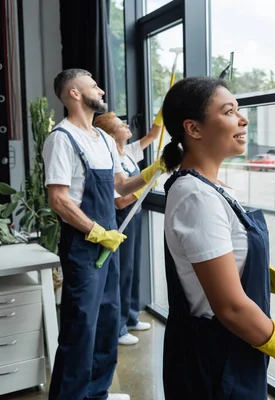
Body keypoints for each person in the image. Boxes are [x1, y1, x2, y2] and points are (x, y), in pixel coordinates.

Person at [160, 76, 275, 399]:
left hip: (236, 354)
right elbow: (232, 307)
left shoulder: (214, 188)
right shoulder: (196, 197)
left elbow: (224, 266)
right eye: (228, 111)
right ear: (193, 129)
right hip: (215, 362)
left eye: (238, 109)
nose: (243, 118)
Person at [43, 68, 166, 400]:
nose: (100, 89)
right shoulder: (62, 138)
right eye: (93, 85)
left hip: (107, 246)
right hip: (83, 248)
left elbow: (122, 185)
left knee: (108, 322)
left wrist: (155, 168)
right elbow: (58, 199)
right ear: (73, 93)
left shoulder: (103, 141)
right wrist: (96, 230)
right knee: (81, 327)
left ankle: (96, 393)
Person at [93, 111, 162, 345]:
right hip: (122, 217)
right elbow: (120, 200)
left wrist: (164, 110)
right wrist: (145, 187)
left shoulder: (129, 152)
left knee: (133, 268)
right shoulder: (110, 160)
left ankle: (131, 316)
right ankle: (119, 327)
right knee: (121, 271)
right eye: (120, 124)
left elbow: (154, 135)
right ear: (112, 136)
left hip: (135, 216)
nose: (126, 125)